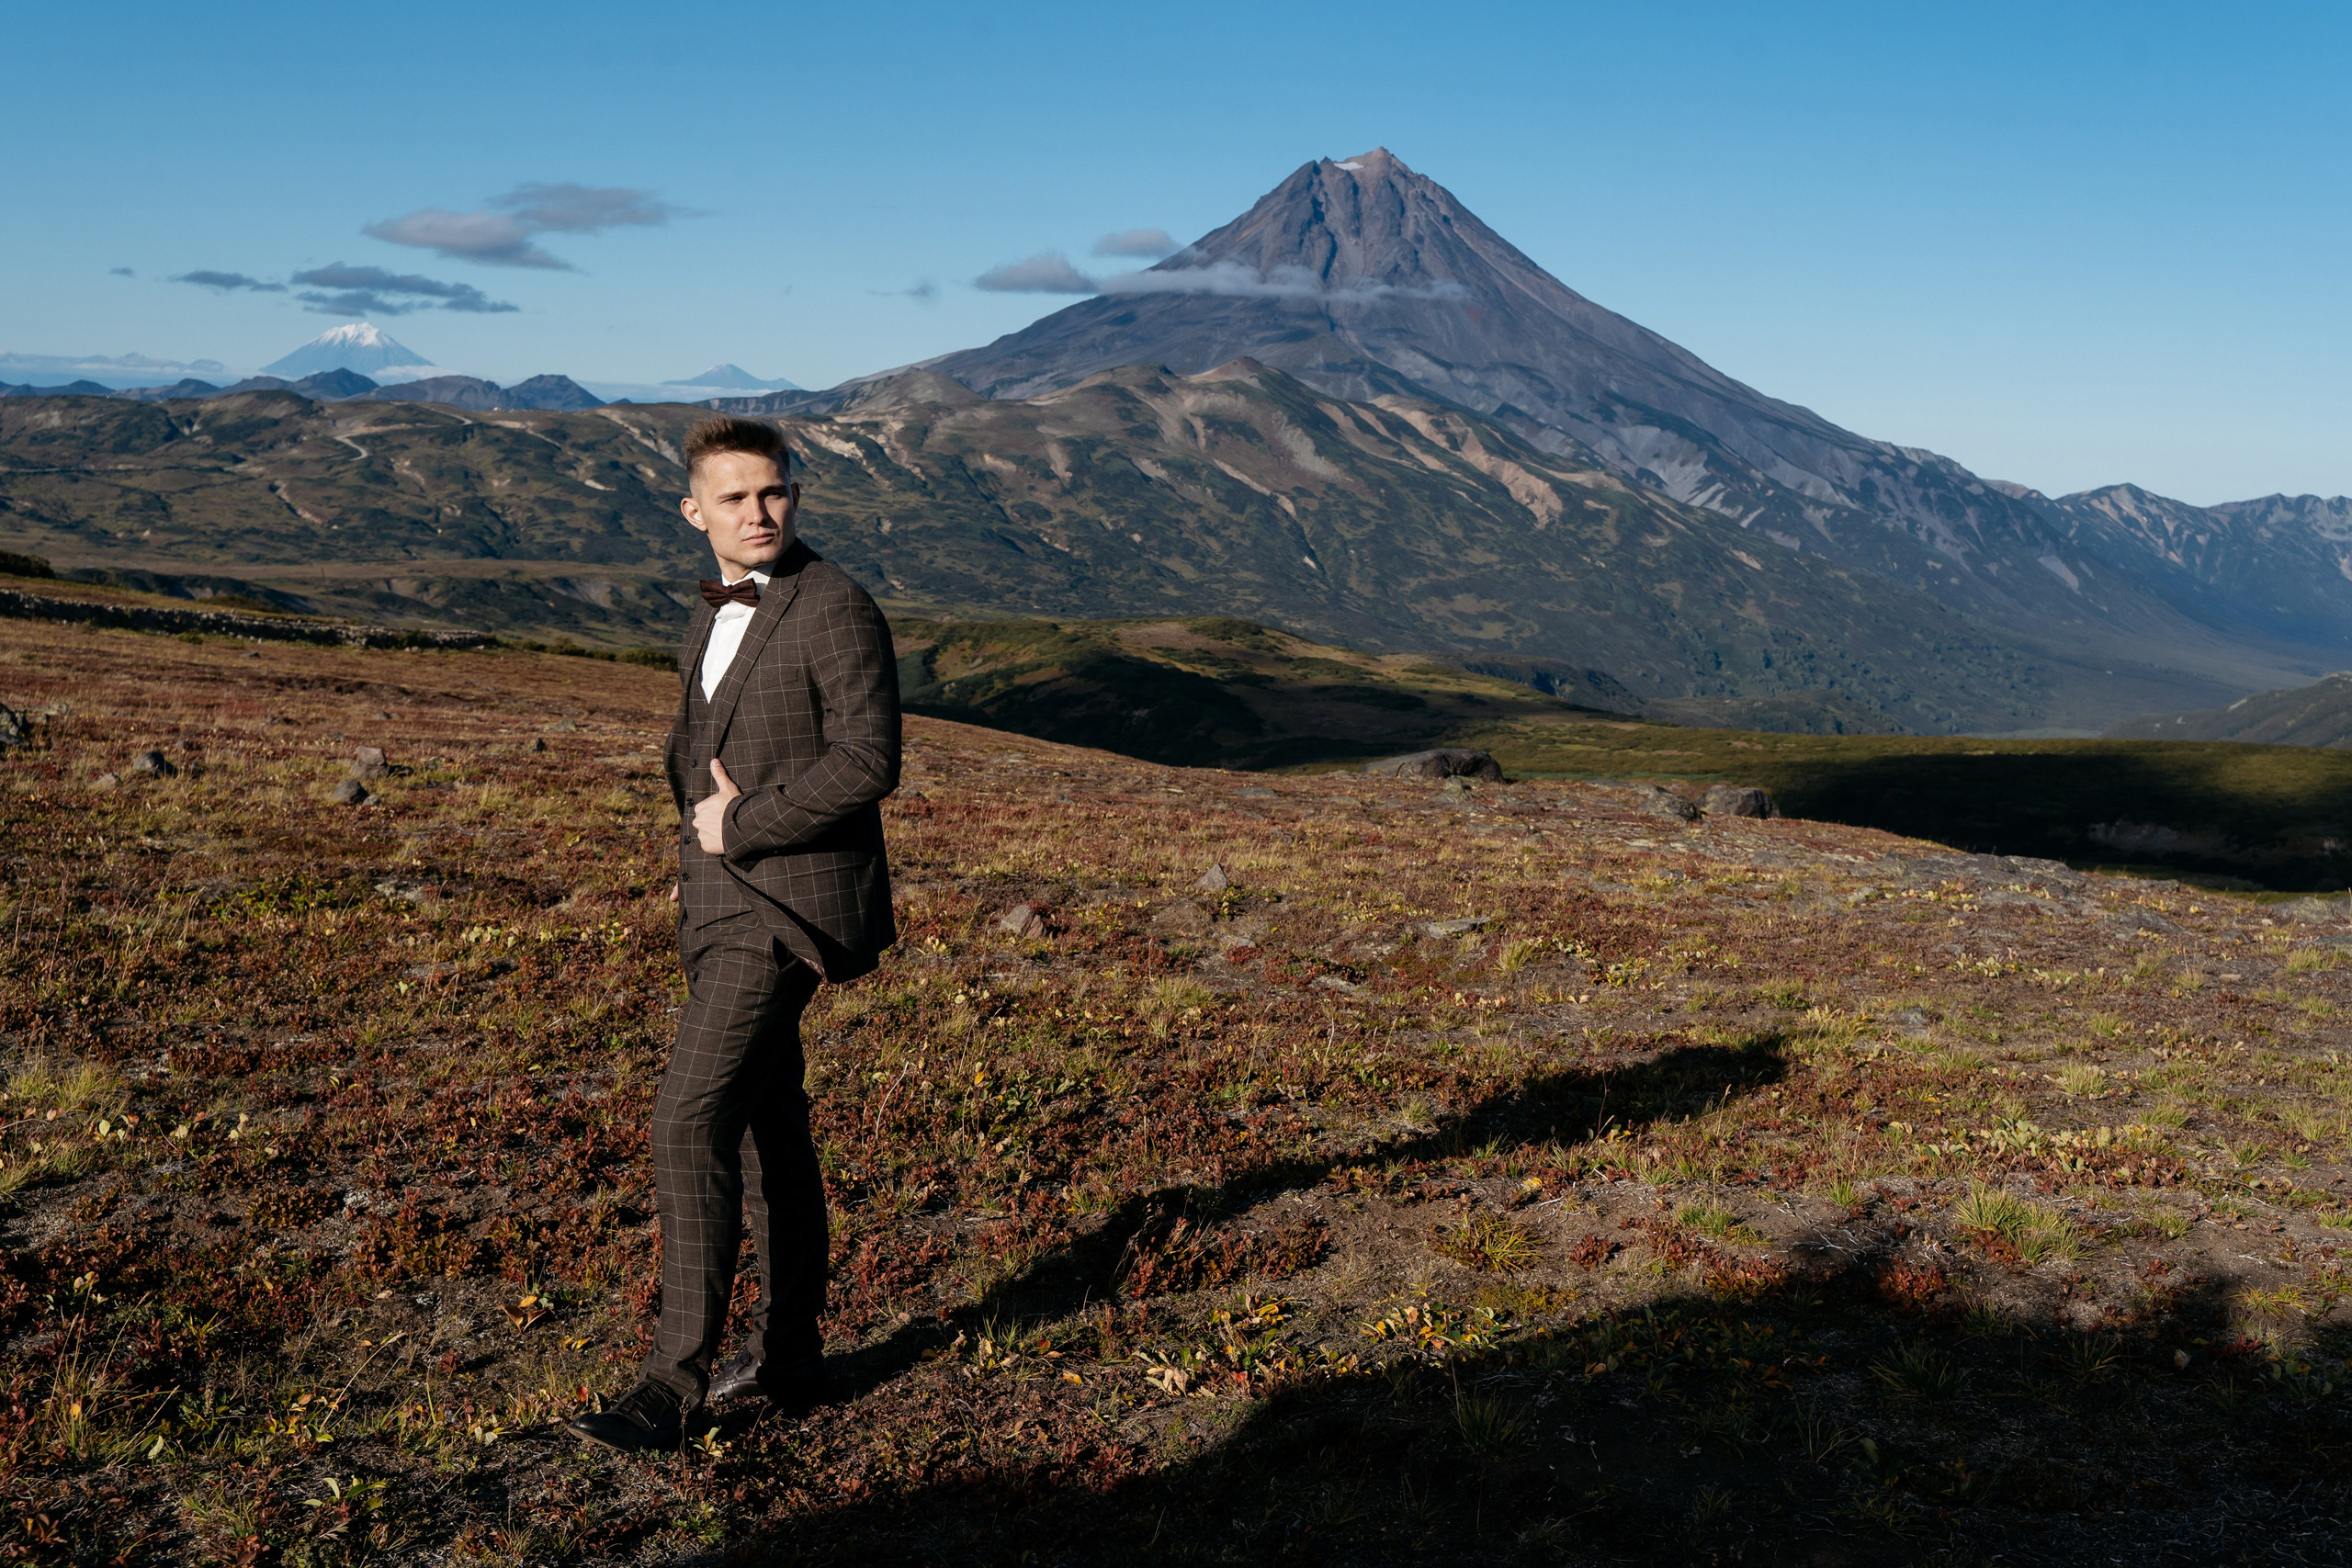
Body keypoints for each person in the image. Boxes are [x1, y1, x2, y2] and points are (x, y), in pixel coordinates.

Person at [567, 416, 900, 1451]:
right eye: (735, 497)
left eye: (775, 493)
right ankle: (795, 1361)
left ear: (795, 493)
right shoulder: (712, 615)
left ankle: (671, 1385)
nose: (759, 514)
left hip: (786, 909)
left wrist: (740, 827)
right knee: (770, 1134)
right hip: (724, 902)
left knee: (684, 1122)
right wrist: (696, 865)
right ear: (693, 509)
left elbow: (866, 762)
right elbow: (701, 760)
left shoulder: (836, 607)